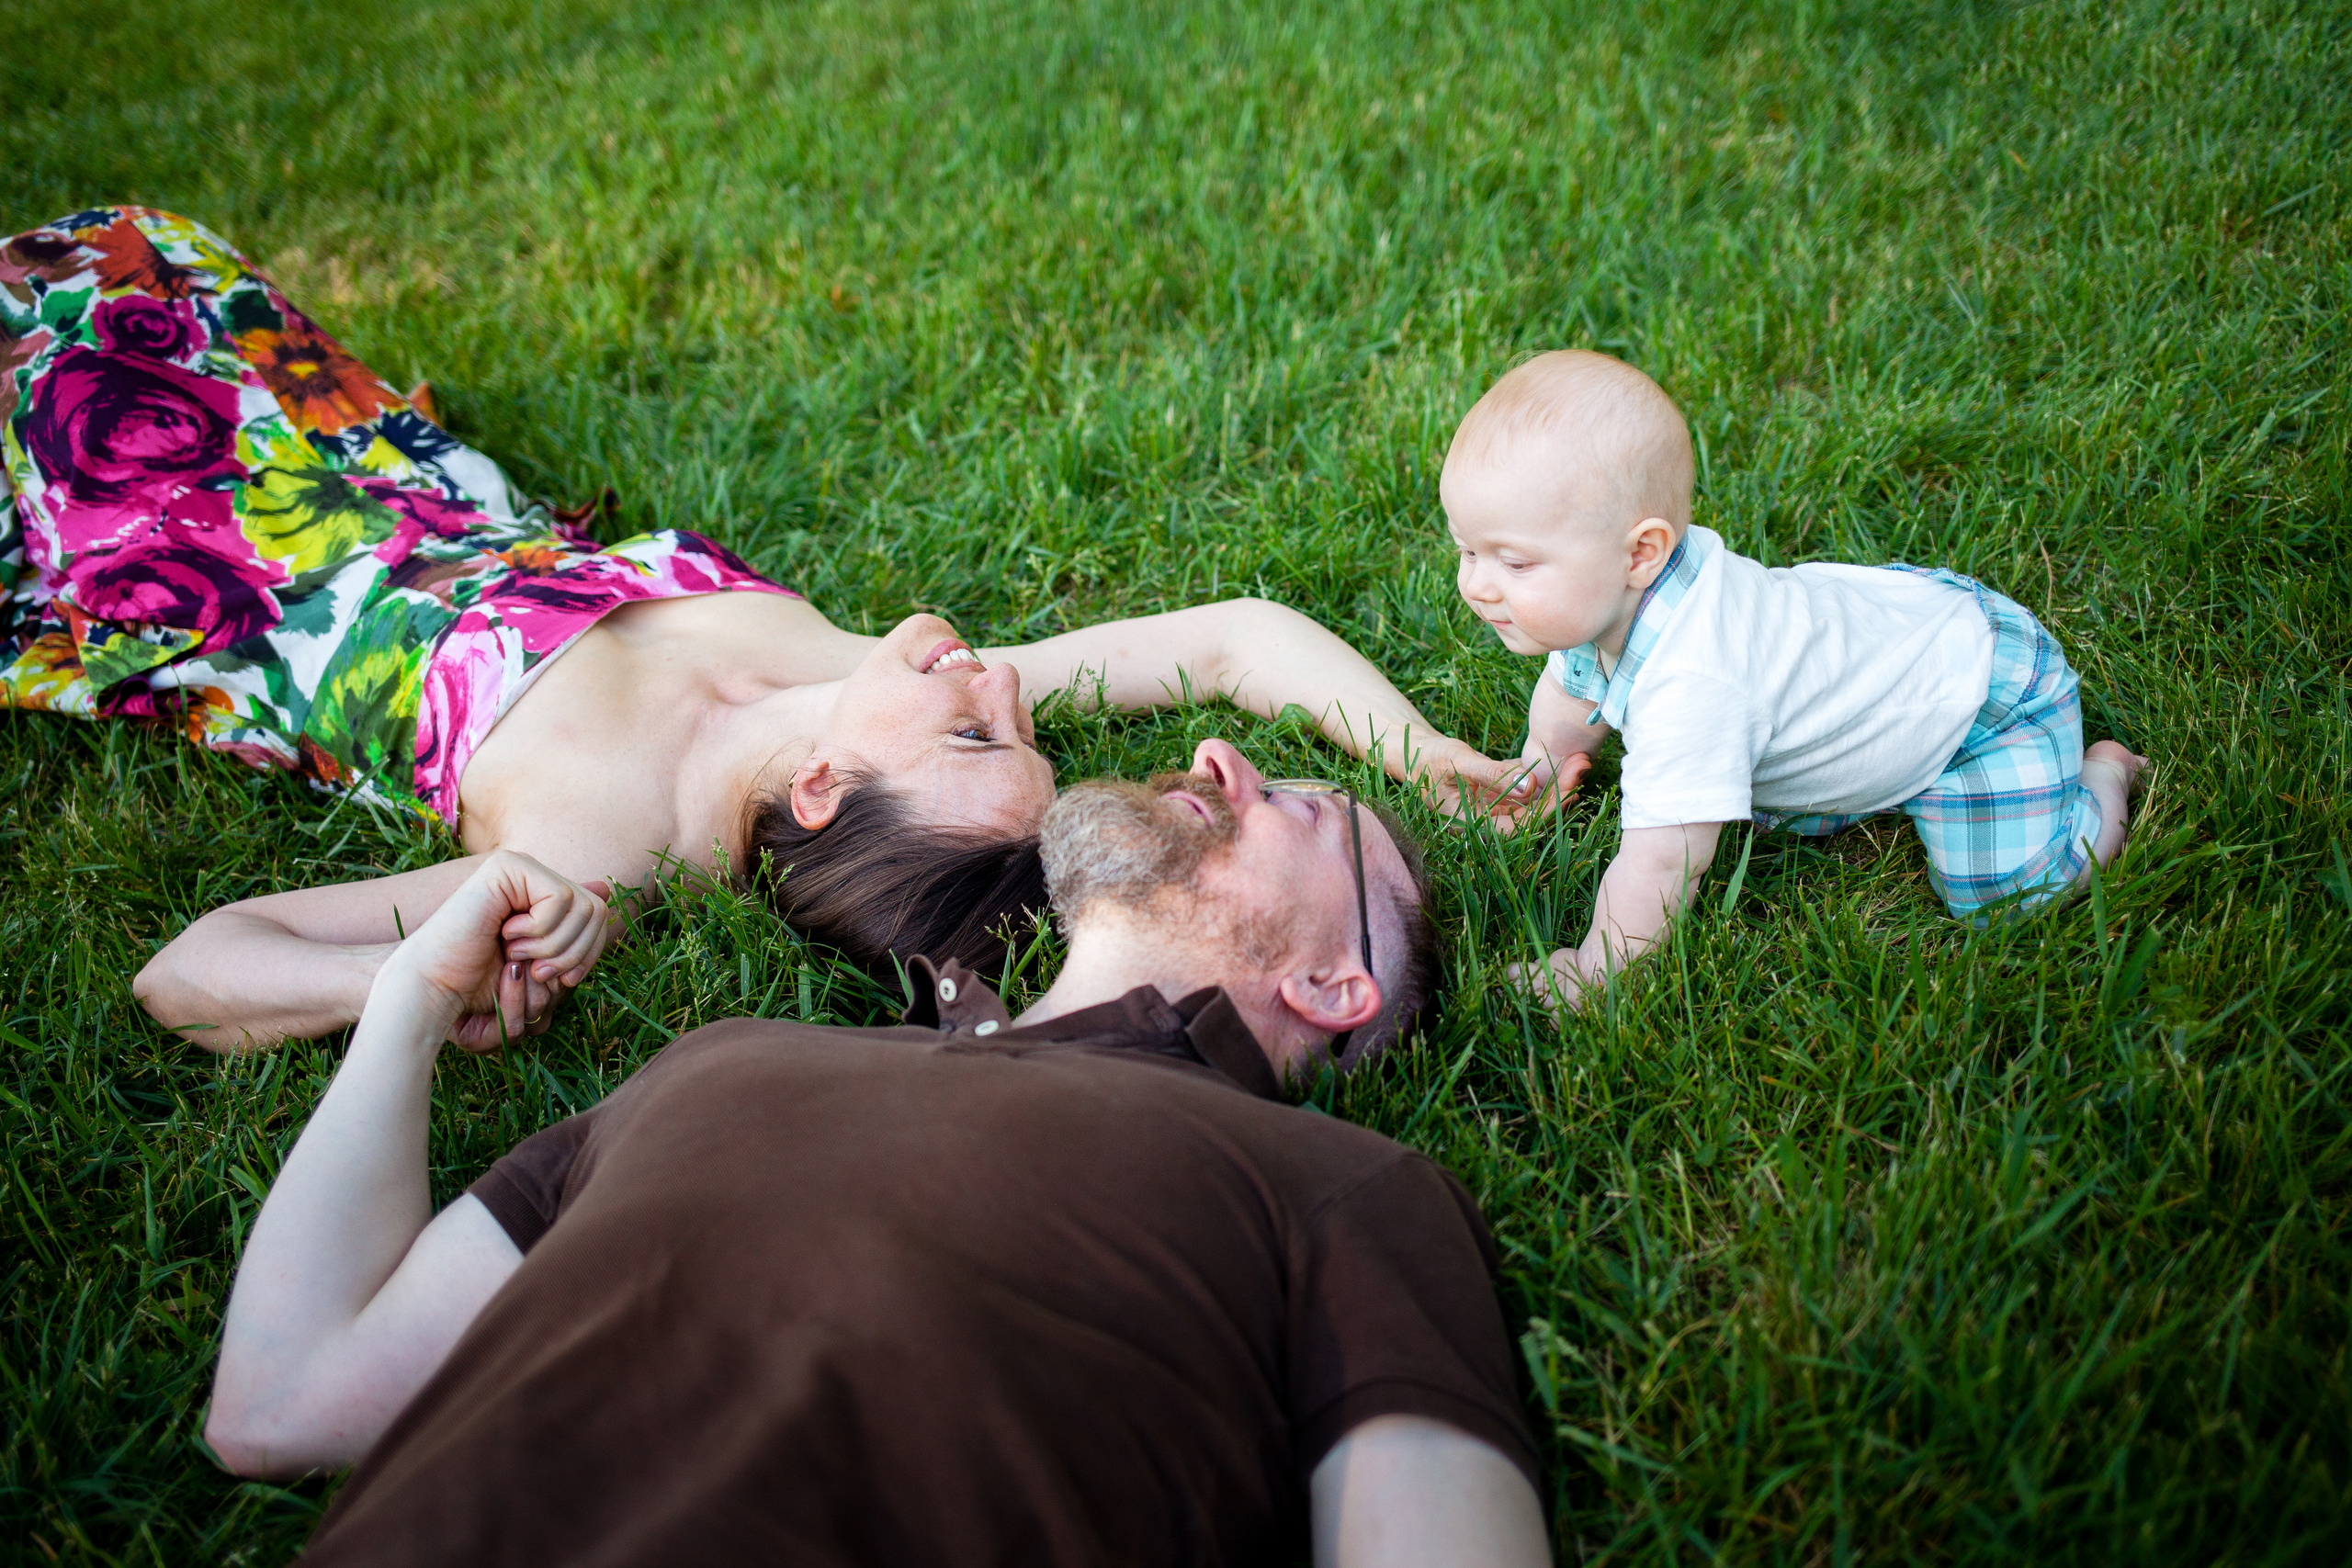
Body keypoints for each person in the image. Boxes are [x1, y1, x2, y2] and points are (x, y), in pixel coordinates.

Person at [0, 206, 1521, 1051]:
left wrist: (418, 982)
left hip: (145, 511)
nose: (1000, 682)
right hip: (364, 447)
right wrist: (1432, 755)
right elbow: (1239, 633)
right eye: (1016, 722)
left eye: (977, 728)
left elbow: (193, 966)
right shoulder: (878, 690)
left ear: (824, 792)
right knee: (133, 244)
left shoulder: (595, 850)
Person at [202, 739, 1552, 1567]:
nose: (1220, 759)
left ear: (1330, 986)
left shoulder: (1338, 1191)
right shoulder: (728, 1058)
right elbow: (283, 1402)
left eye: (1301, 811)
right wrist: (409, 1003)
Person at [1442, 350, 2151, 1008]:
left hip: (1980, 699)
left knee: (2011, 894)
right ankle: (1853, 758)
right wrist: (1542, 767)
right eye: (1466, 550)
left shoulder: (1693, 683)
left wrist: (1597, 969)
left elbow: (1663, 862)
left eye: (1515, 562)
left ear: (1641, 553)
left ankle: (2101, 777)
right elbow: (1573, 687)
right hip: (1904, 630)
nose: (1476, 585)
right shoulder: (1618, 595)